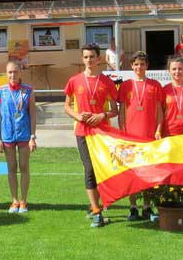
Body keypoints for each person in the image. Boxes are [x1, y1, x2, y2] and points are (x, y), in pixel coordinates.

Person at [63, 43, 119, 228]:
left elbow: (114, 110)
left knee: (102, 170)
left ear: (99, 59)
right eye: (85, 57)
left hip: (102, 133)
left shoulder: (107, 82)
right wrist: (79, 116)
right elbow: (67, 106)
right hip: (83, 132)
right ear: (82, 59)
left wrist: (101, 115)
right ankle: (96, 212)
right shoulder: (75, 80)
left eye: (92, 57)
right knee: (89, 170)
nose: (89, 60)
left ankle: (95, 205)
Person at [117, 51, 164, 221]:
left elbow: (160, 111)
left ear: (147, 66)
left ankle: (147, 207)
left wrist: (158, 130)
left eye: (142, 64)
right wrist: (122, 132)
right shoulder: (125, 86)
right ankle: (133, 207)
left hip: (149, 137)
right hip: (130, 138)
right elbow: (121, 112)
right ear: (131, 66)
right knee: (132, 175)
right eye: (136, 64)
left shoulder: (155, 85)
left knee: (148, 174)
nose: (139, 67)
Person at [0, 61, 37, 214]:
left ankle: (24, 201)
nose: (12, 75)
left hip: (24, 134)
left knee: (24, 167)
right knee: (11, 169)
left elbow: (32, 113)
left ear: (20, 72)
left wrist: (33, 137)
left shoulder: (28, 90)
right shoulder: (1, 91)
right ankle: (14, 200)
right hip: (7, 134)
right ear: (6, 73)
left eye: (15, 72)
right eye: (10, 72)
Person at [162, 56, 183, 137]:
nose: (177, 71)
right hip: (168, 133)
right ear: (169, 70)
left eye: (180, 68)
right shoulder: (164, 90)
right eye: (174, 69)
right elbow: (160, 113)